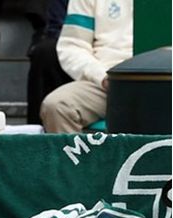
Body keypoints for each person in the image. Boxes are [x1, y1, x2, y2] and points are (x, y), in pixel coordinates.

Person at [39, 0, 133, 133]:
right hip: (107, 80)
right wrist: (103, 77)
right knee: (57, 106)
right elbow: (72, 46)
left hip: (166, 81)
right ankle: (74, 155)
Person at [26, 0, 70, 124]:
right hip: (79, 50)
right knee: (45, 52)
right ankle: (36, 133)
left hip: (115, 56)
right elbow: (57, 28)